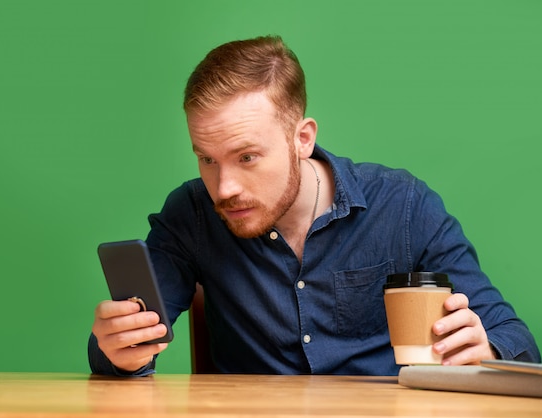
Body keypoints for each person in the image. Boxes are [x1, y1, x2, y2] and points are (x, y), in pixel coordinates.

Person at [88, 35, 540, 376]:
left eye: (246, 157)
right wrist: (116, 348)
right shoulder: (191, 213)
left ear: (302, 139)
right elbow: (126, 351)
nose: (223, 187)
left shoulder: (403, 207)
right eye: (207, 159)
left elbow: (518, 342)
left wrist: (488, 351)